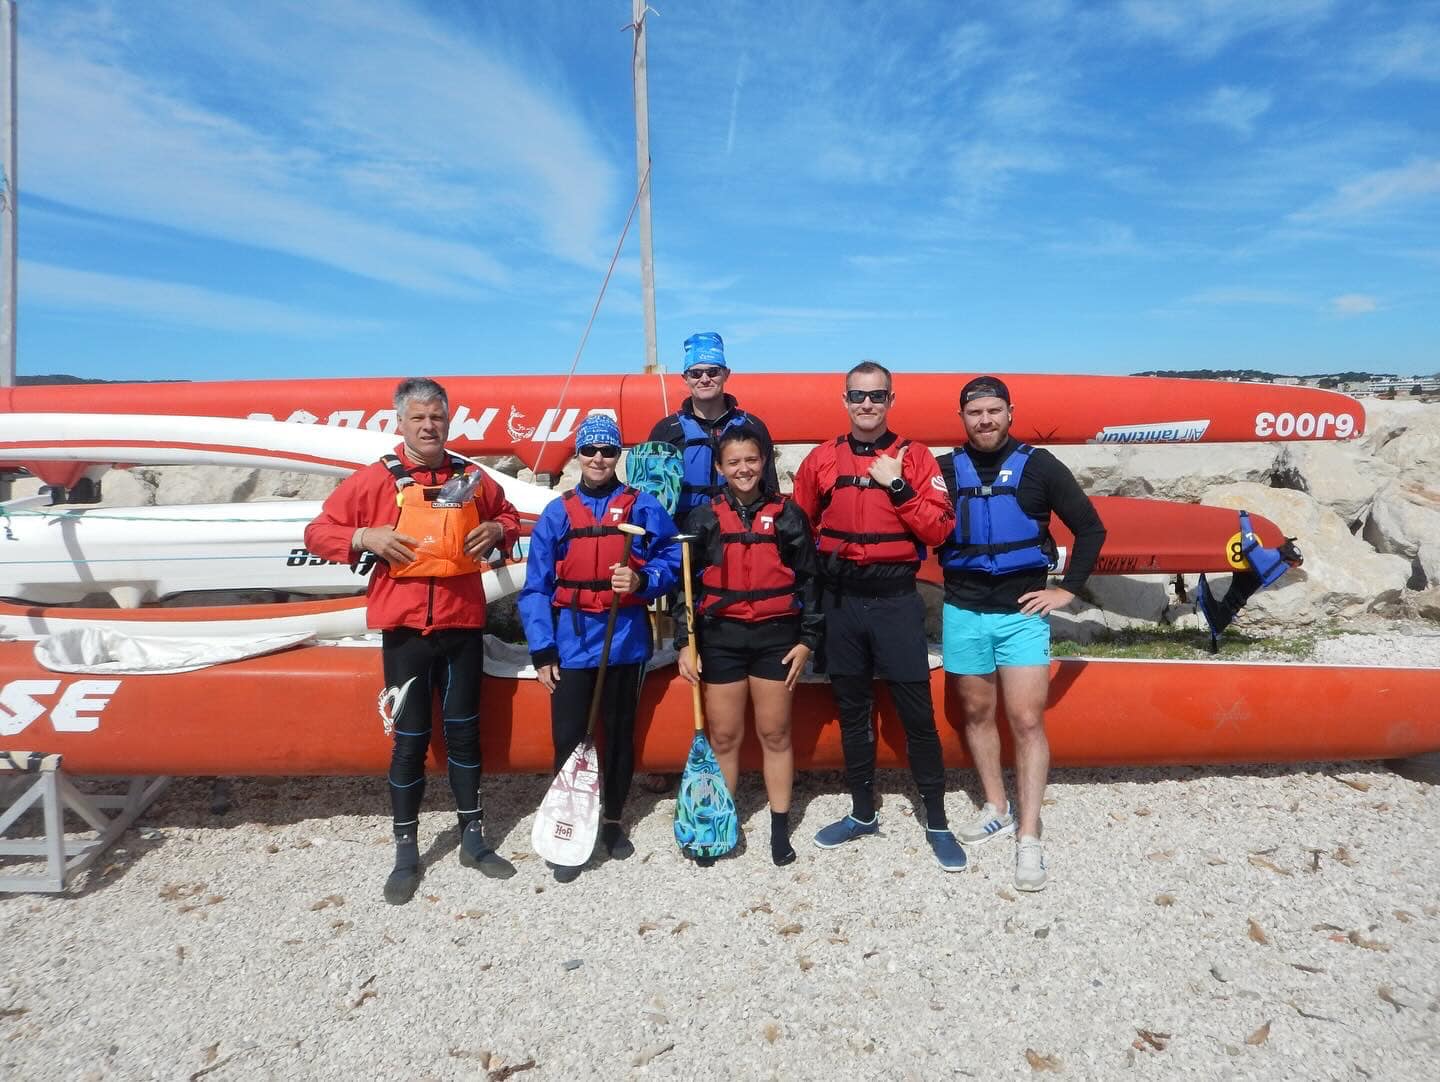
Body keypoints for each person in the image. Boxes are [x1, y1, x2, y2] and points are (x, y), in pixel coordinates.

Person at [305, 377, 521, 905]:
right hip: (405, 634)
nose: (429, 427)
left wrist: (497, 530)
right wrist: (362, 536)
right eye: (419, 418)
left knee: (466, 734)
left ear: (450, 422)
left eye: (438, 418)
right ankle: (407, 850)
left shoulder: (471, 477)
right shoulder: (375, 481)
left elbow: (510, 516)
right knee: (409, 740)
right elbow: (317, 531)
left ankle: (473, 837)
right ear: (399, 423)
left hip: (463, 625)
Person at [791, 361, 968, 872]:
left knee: (917, 714)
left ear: (891, 400)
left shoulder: (914, 459)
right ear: (844, 400)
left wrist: (897, 488)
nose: (866, 404)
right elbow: (798, 532)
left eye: (876, 396)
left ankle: (936, 820)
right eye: (857, 396)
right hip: (842, 602)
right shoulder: (821, 460)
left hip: (894, 601)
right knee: (853, 714)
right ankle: (863, 812)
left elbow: (939, 530)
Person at [937, 376, 1106, 892]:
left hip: (1021, 613)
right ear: (962, 417)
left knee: (1027, 719)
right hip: (963, 609)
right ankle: (996, 806)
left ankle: (1029, 834)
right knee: (976, 713)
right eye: (974, 413)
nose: (984, 420)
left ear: (1010, 413)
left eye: (993, 411)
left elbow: (1090, 527)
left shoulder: (1041, 466)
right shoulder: (945, 469)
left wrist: (1068, 591)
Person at [517, 413, 680, 882]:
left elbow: (670, 555)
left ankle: (611, 821)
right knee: (569, 737)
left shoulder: (640, 506)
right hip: (571, 643)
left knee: (618, 735)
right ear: (578, 454)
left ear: (618, 455)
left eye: (608, 451)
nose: (598, 459)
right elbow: (535, 588)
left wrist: (643, 579)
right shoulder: (557, 512)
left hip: (623, 640)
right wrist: (542, 650)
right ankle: (569, 820)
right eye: (589, 450)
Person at [673, 427, 823, 866]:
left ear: (764, 463)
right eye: (734, 462)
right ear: (720, 468)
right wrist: (687, 643)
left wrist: (807, 641)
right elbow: (686, 589)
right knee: (724, 735)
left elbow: (811, 581)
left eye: (752, 460)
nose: (744, 469)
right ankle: (720, 820)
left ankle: (779, 827)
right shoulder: (702, 519)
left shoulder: (788, 516)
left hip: (776, 639)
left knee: (775, 733)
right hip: (721, 638)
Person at [646, 331, 779, 527]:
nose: (705, 379)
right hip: (684, 538)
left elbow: (769, 488)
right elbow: (651, 496)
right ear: (685, 377)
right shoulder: (665, 431)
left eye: (713, 371)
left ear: (726, 374)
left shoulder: (752, 427)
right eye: (696, 373)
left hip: (739, 535)